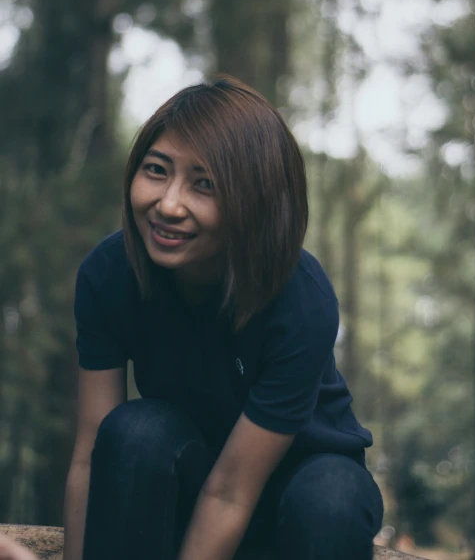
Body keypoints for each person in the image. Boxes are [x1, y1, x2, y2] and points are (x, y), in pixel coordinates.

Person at [63, 76, 383, 560]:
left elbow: (233, 489)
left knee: (331, 498)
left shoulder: (301, 300)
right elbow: (92, 456)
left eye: (205, 185)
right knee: (136, 431)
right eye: (156, 170)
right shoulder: (110, 274)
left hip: (296, 499)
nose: (168, 205)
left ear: (256, 203)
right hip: (187, 483)